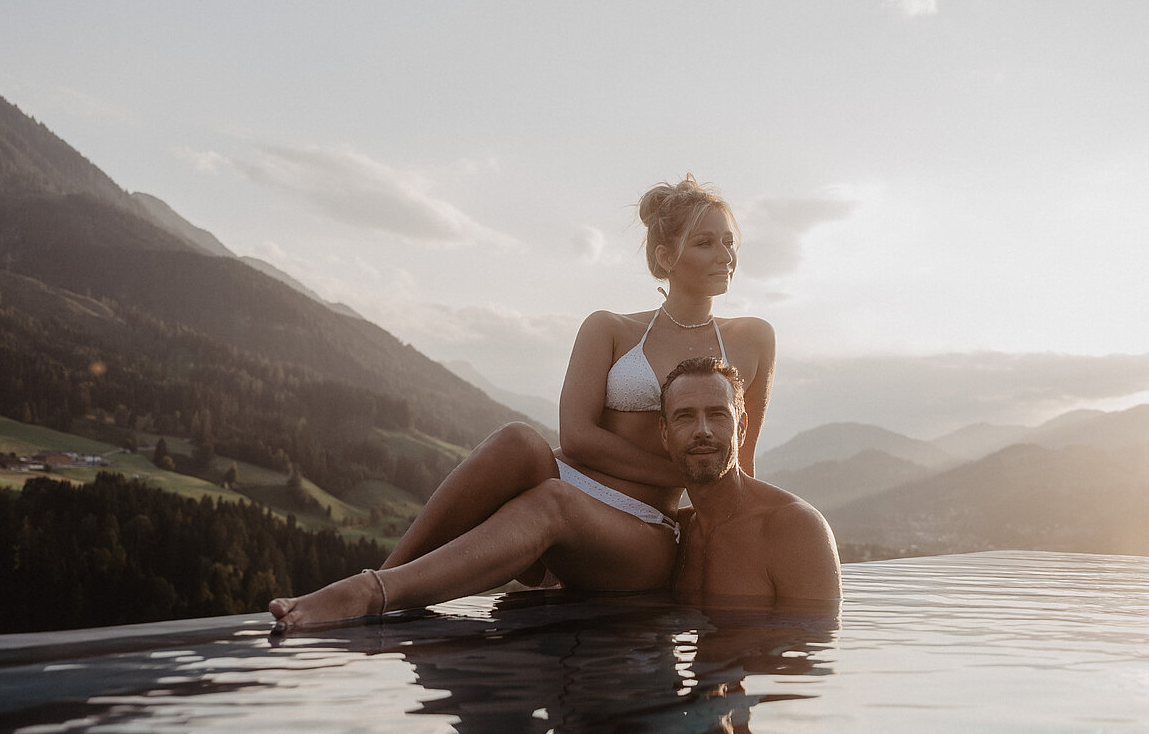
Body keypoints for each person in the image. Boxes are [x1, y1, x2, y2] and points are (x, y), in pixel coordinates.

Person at [270, 175, 777, 629]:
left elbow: (742, 467)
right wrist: (686, 471)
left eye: (729, 242)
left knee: (552, 501)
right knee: (517, 439)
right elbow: (576, 438)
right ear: (666, 257)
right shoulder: (610, 328)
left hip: (643, 529)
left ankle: (369, 594)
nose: (725, 255)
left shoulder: (753, 340)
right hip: (565, 481)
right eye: (706, 243)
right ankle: (380, 582)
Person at [659, 356, 840, 603]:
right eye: (685, 416)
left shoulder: (793, 528)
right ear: (665, 433)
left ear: (741, 427)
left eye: (717, 414)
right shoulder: (676, 533)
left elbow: (818, 638)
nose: (702, 430)